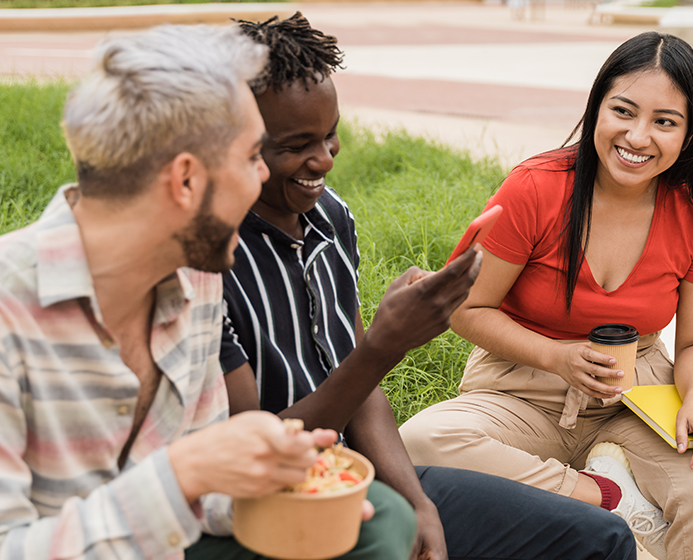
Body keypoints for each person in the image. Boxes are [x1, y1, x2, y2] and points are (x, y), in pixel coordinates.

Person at [216, 13, 638, 560]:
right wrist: (384, 347)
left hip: (359, 475)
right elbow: (251, 455)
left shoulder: (329, 218)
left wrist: (417, 501)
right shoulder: (211, 257)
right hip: (275, 506)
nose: (323, 160)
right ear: (237, 140)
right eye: (297, 145)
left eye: (330, 134)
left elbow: (359, 388)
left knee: (601, 540)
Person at [0, 24, 417, 560]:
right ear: (186, 181)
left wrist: (282, 477)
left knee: (376, 522)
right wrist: (186, 473)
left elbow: (204, 490)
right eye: (251, 158)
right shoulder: (11, 312)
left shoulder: (193, 281)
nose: (262, 176)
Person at [399, 31, 693, 560]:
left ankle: (608, 476)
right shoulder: (536, 187)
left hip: (635, 395)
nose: (638, 136)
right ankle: (605, 496)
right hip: (522, 389)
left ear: (689, 132)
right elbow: (466, 308)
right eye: (623, 111)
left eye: (664, 122)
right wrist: (557, 356)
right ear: (597, 108)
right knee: (420, 441)